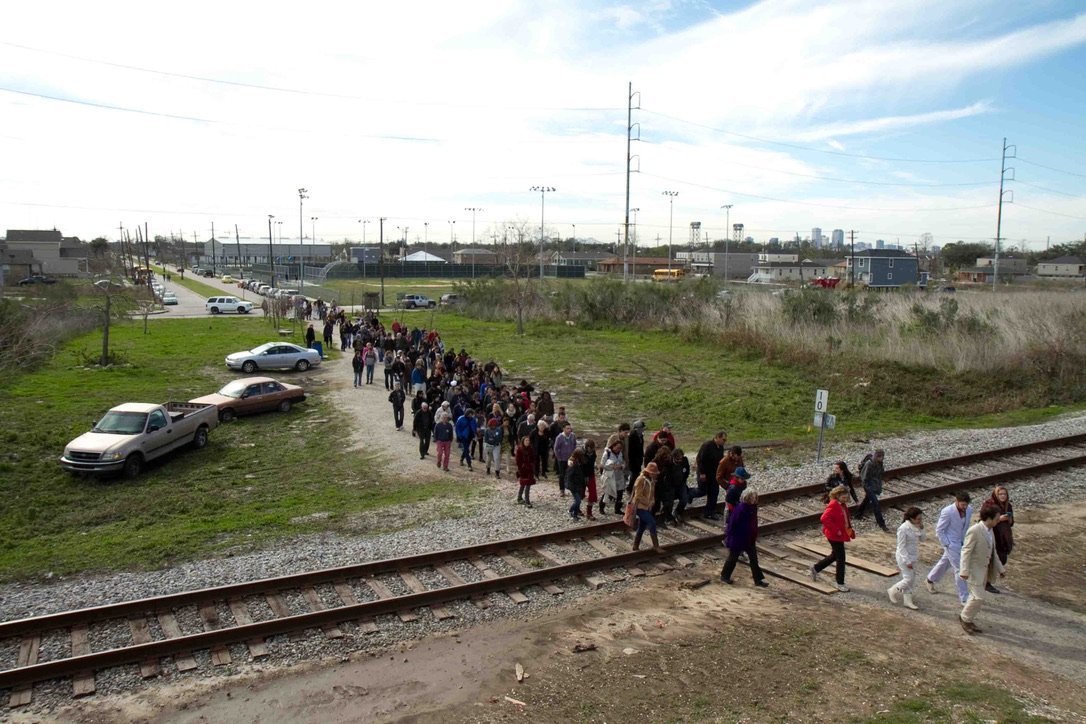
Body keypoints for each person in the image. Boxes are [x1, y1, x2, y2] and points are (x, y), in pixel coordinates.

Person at [959, 504, 1006, 635]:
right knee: (978, 597)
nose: (998, 521)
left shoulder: (990, 531)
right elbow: (966, 551)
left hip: (983, 571)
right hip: (974, 571)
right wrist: (964, 570)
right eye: (996, 518)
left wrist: (1000, 569)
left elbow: (993, 552)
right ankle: (964, 618)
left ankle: (968, 619)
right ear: (989, 518)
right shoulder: (975, 530)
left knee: (976, 597)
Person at [925, 491, 973, 604]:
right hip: (951, 543)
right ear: (956, 501)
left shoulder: (969, 510)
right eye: (962, 505)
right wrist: (947, 544)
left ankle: (930, 579)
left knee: (945, 562)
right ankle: (964, 598)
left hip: (962, 542)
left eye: (966, 505)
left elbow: (965, 526)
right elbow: (939, 530)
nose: (965, 507)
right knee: (959, 569)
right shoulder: (947, 511)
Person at [720, 488, 768, 587]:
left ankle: (758, 580)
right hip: (739, 538)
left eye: (754, 497)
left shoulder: (753, 507)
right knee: (733, 558)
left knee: (754, 559)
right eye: (752, 497)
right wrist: (730, 537)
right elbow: (732, 524)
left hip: (749, 538)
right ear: (747, 498)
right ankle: (725, 576)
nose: (754, 499)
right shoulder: (741, 508)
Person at [810, 485, 854, 592]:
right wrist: (836, 530)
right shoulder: (834, 505)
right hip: (834, 536)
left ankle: (816, 568)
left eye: (846, 497)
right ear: (837, 495)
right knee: (841, 558)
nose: (845, 499)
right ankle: (840, 583)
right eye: (843, 497)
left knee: (835, 555)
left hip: (839, 535)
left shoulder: (842, 505)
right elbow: (824, 518)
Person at [887, 507, 925, 610]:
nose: (920, 521)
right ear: (911, 518)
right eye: (918, 519)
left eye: (921, 518)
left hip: (913, 555)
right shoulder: (903, 528)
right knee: (909, 578)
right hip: (904, 557)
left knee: (912, 579)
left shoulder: (916, 526)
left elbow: (923, 539)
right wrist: (907, 561)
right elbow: (901, 547)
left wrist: (921, 528)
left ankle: (907, 601)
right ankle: (893, 590)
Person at [986, 485, 1014, 593]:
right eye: (1000, 494)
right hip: (993, 536)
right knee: (991, 560)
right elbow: (984, 519)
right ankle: (986, 582)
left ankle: (986, 581)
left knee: (1002, 559)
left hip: (1003, 538)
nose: (1003, 496)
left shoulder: (1008, 506)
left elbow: (1011, 523)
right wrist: (999, 519)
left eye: (1005, 494)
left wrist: (1009, 519)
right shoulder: (990, 505)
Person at [855, 449, 888, 531]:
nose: (881, 459)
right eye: (880, 457)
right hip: (868, 486)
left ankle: (858, 514)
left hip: (875, 486)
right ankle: (882, 524)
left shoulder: (880, 463)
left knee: (867, 500)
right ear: (877, 456)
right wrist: (868, 488)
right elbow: (864, 478)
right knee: (876, 504)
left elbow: (881, 472)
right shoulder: (869, 464)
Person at [631, 462, 661, 552]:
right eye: (654, 473)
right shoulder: (641, 480)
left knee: (642, 526)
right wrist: (648, 502)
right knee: (652, 522)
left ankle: (635, 546)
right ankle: (656, 546)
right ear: (650, 473)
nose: (656, 475)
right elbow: (638, 496)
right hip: (640, 507)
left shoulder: (651, 480)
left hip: (647, 507)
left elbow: (652, 493)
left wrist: (652, 501)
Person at [695, 431, 727, 518]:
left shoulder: (720, 447)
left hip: (714, 474)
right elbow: (699, 459)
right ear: (718, 437)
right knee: (702, 491)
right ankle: (689, 494)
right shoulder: (707, 445)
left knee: (714, 492)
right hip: (705, 472)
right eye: (723, 439)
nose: (724, 441)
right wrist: (702, 473)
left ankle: (709, 512)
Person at [713, 445, 744, 521]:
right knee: (729, 505)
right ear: (732, 454)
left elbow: (742, 469)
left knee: (739, 503)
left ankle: (737, 518)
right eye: (736, 457)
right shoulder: (724, 462)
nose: (737, 459)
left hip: (739, 485)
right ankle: (728, 521)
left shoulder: (739, 459)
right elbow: (718, 477)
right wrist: (727, 487)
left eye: (738, 457)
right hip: (730, 486)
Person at [600, 435, 626, 515]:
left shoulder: (620, 453)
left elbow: (623, 462)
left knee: (620, 493)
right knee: (607, 493)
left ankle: (617, 509)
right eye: (617, 448)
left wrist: (622, 466)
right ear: (613, 446)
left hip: (619, 476)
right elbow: (601, 465)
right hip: (610, 477)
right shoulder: (607, 453)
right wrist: (612, 467)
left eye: (620, 448)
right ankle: (601, 508)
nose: (619, 450)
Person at [552, 423, 577, 496]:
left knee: (572, 474)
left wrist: (574, 455)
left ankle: (572, 489)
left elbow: (575, 445)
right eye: (567, 428)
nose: (569, 430)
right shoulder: (559, 437)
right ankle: (562, 490)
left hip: (571, 459)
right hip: (562, 459)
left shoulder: (572, 436)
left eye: (570, 428)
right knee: (562, 475)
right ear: (564, 429)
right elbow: (556, 448)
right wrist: (559, 457)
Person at [565, 448, 588, 521]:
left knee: (578, 500)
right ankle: (571, 511)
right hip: (574, 486)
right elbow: (569, 476)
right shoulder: (573, 464)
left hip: (577, 485)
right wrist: (571, 486)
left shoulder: (577, 462)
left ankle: (574, 514)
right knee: (578, 500)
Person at [515, 435, 537, 508]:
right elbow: (518, 461)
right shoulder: (520, 449)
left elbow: (533, 458)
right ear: (523, 441)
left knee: (527, 484)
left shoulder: (531, 449)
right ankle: (526, 501)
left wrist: (532, 466)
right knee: (524, 483)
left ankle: (521, 498)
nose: (527, 442)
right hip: (523, 470)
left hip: (530, 469)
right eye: (526, 440)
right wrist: (521, 468)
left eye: (528, 440)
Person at [582, 438, 598, 521]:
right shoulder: (581, 453)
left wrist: (594, 465)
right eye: (590, 449)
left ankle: (589, 512)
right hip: (582, 476)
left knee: (593, 494)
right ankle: (576, 509)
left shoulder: (593, 453)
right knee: (580, 494)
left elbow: (593, 461)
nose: (591, 451)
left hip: (591, 475)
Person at [627, 420, 646, 491]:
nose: (643, 429)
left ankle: (632, 487)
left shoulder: (640, 436)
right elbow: (631, 451)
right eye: (642, 428)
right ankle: (631, 488)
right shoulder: (632, 437)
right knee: (635, 474)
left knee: (636, 474)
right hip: (634, 460)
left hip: (638, 458)